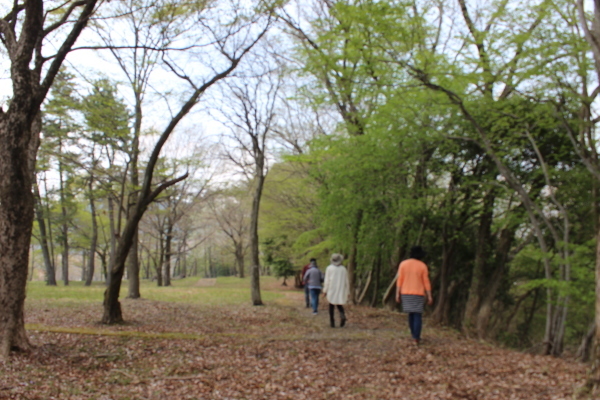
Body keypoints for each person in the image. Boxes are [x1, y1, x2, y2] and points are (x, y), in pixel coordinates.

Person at [396, 246, 433, 345]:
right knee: (417, 315)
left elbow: (400, 280)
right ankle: (416, 337)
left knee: (411, 314)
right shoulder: (422, 266)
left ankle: (413, 334)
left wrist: (397, 293)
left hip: (405, 292)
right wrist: (429, 295)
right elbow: (426, 282)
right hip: (418, 293)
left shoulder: (403, 264)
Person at [323, 253, 349, 328]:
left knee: (331, 304)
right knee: (339, 304)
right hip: (341, 288)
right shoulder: (343, 269)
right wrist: (348, 292)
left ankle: (332, 322)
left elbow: (327, 280)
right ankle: (342, 315)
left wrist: (325, 291)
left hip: (332, 288)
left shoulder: (329, 268)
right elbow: (347, 281)